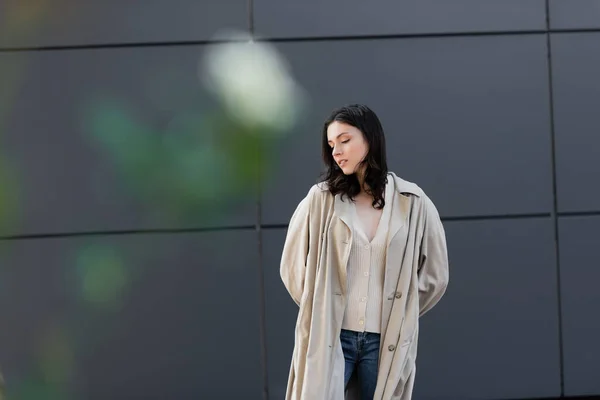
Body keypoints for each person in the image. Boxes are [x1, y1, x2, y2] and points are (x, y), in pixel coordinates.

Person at [280, 104, 449, 400]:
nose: (336, 151)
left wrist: (401, 311)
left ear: (370, 139)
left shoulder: (413, 201)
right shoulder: (320, 200)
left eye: (345, 140)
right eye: (331, 144)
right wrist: (320, 306)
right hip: (333, 335)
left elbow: (435, 275)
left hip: (384, 340)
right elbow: (292, 268)